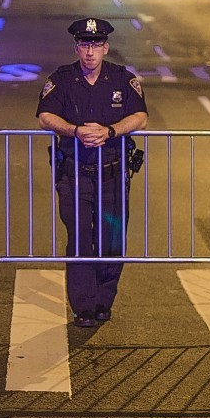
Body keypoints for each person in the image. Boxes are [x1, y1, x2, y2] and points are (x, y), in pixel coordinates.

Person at [36, 17, 150, 328]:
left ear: (106, 48)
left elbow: (140, 116)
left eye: (96, 45)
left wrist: (112, 131)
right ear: (76, 47)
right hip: (75, 174)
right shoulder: (62, 79)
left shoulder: (121, 79)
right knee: (80, 238)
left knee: (113, 239)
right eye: (85, 45)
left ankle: (103, 300)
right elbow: (45, 116)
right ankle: (83, 306)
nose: (90, 52)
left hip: (112, 174)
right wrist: (73, 130)